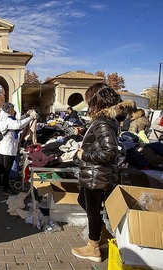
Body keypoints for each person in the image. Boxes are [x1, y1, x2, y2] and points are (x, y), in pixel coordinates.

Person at [71, 83, 135, 262]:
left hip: (96, 175)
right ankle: (102, 233)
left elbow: (109, 151)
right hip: (96, 174)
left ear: (96, 101)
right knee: (83, 201)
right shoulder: (106, 121)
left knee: (92, 210)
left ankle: (93, 248)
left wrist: (85, 154)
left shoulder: (102, 122)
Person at [0, 102, 37, 195]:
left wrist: (26, 115)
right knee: (7, 169)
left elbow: (17, 121)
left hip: (4, 147)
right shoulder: (7, 120)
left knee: (1, 167)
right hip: (8, 148)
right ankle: (6, 189)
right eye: (13, 109)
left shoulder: (5, 117)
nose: (14, 111)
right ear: (9, 110)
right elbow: (18, 125)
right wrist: (30, 117)